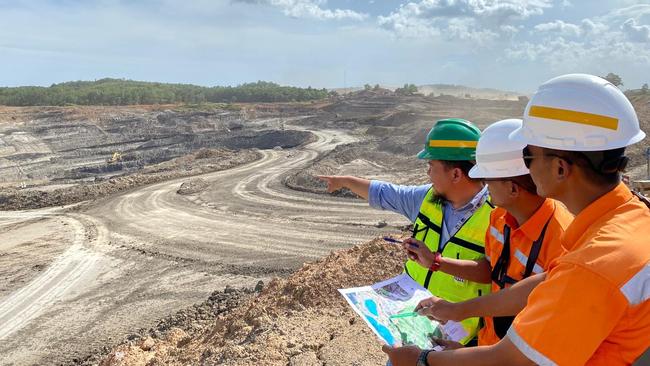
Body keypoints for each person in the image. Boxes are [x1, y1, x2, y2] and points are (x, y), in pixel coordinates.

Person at [383, 74, 650, 365]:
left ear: (560, 168)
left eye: (529, 155)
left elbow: (513, 359)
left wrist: (422, 360)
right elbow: (546, 283)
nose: (525, 166)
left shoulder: (592, 264)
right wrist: (459, 310)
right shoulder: (631, 216)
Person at [319, 118, 494, 345]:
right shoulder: (428, 198)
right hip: (415, 323)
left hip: (462, 339)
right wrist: (345, 181)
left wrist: (435, 261)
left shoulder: (497, 215)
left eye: (431, 166)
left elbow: (494, 272)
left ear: (456, 174)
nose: (428, 174)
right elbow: (386, 193)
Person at [404, 118, 573, 347]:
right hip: (490, 345)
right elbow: (490, 269)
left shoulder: (562, 240)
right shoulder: (498, 218)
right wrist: (436, 263)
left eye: (487, 180)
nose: (482, 186)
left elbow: (544, 326)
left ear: (512, 188)